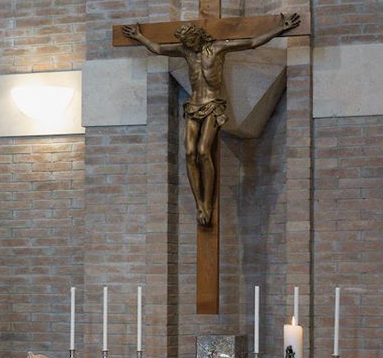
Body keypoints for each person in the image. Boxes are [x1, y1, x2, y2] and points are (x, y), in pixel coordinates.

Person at [122, 13, 300, 227]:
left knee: (204, 150)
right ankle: (200, 204)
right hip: (193, 106)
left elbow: (251, 42)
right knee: (189, 152)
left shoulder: (217, 49)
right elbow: (159, 49)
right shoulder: (185, 51)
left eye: (190, 41)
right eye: (185, 43)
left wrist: (279, 29)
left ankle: (207, 202)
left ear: (198, 36)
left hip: (214, 104)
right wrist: (140, 37)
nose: (188, 45)